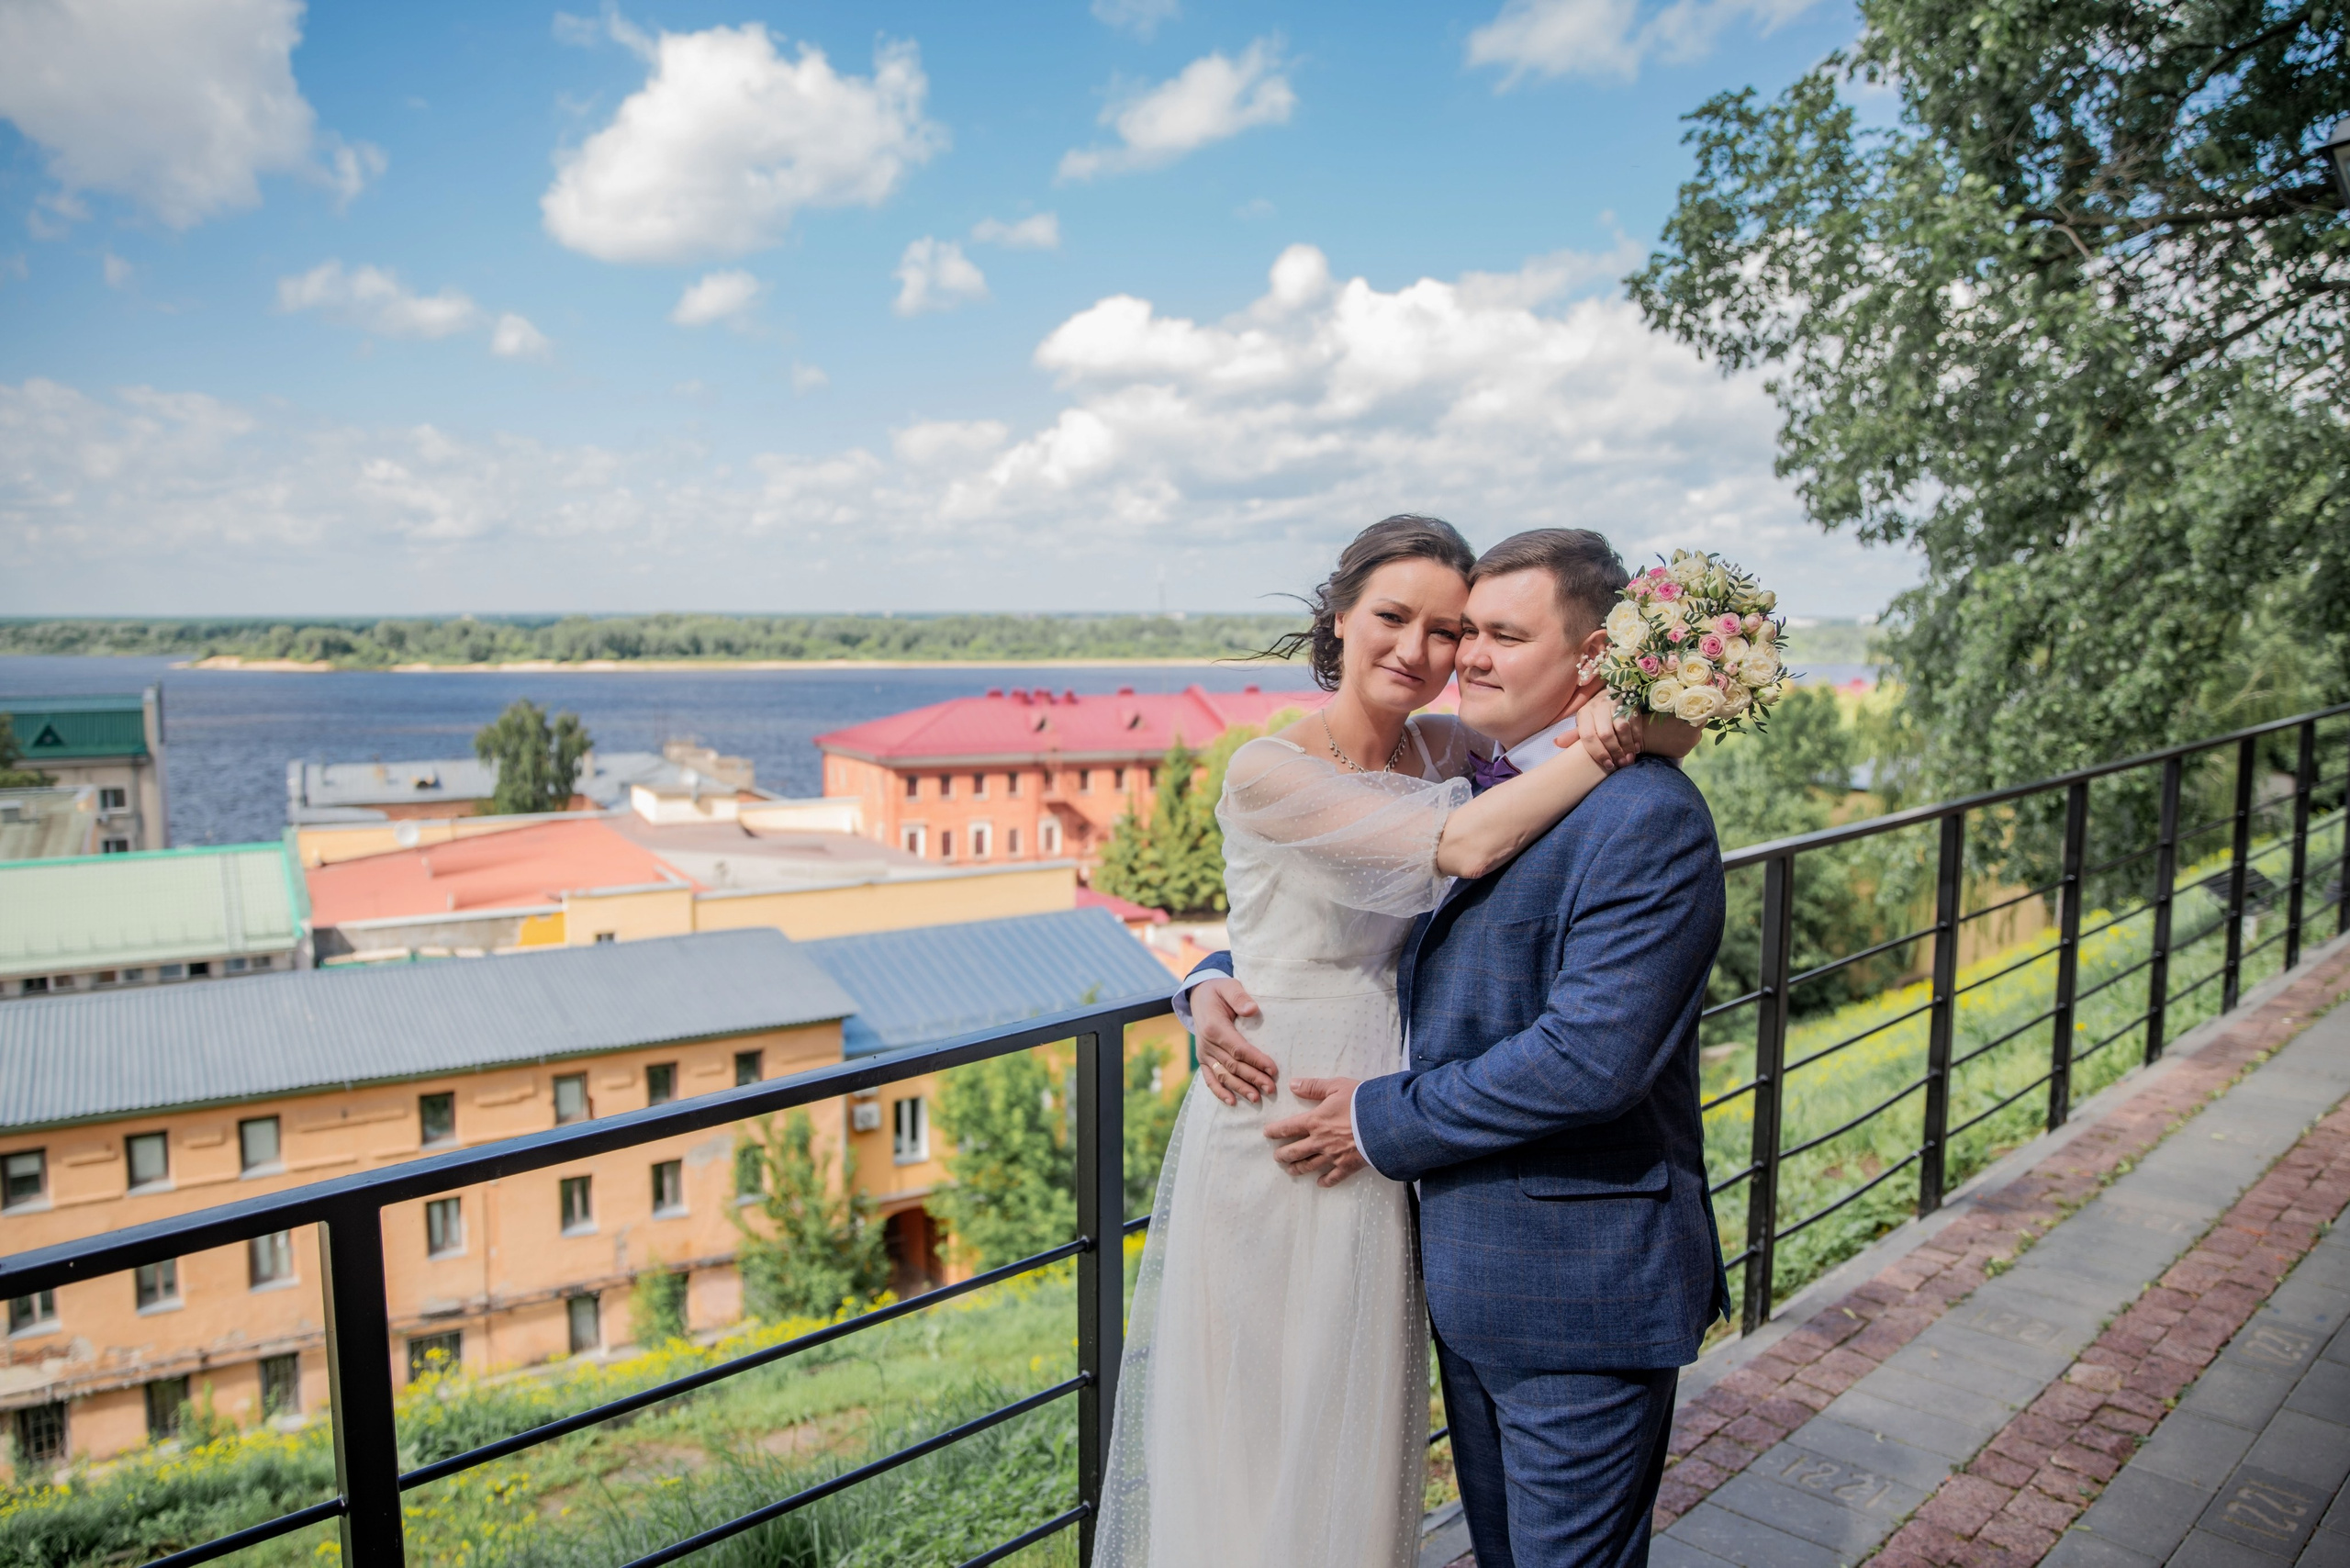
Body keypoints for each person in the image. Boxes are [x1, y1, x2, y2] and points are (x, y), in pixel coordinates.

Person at [1093, 515, 1698, 1568]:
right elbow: (1454, 845)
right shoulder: (1269, 770)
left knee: (1355, 1425)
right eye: (1393, 618)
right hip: (1291, 1110)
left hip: (1395, 1131)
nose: (1424, 651)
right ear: (1338, 617)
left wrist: (1641, 726)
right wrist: (1205, 989)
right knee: (1260, 1426)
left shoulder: (1448, 747)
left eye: (1451, 627)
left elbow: (1539, 772)